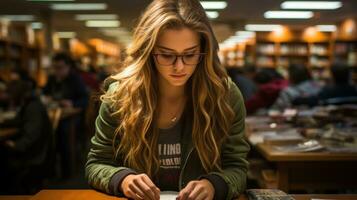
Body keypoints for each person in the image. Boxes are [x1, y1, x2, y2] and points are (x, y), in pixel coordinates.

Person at [85, 0, 250, 200]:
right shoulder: (119, 96)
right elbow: (96, 164)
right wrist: (122, 179)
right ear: (148, 52)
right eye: (166, 55)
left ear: (204, 50)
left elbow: (237, 167)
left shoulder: (225, 95)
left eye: (190, 54)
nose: (179, 67)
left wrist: (214, 185)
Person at [0, 80, 52, 194]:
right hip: (35, 151)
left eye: (10, 95)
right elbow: (18, 121)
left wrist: (15, 145)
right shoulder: (30, 104)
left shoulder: (33, 108)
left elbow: (31, 136)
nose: (8, 98)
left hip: (35, 155)